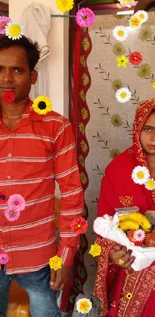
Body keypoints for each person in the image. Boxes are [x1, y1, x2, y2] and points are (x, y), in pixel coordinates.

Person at [0, 33, 84, 317]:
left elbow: (72, 194)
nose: (7, 78)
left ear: (33, 77)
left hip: (38, 255)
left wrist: (66, 255)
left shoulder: (55, 127)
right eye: (0, 69)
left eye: (18, 70)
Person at [94, 99, 155, 317]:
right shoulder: (119, 169)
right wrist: (112, 253)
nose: (153, 138)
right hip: (134, 268)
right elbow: (105, 224)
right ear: (138, 127)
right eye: (148, 129)